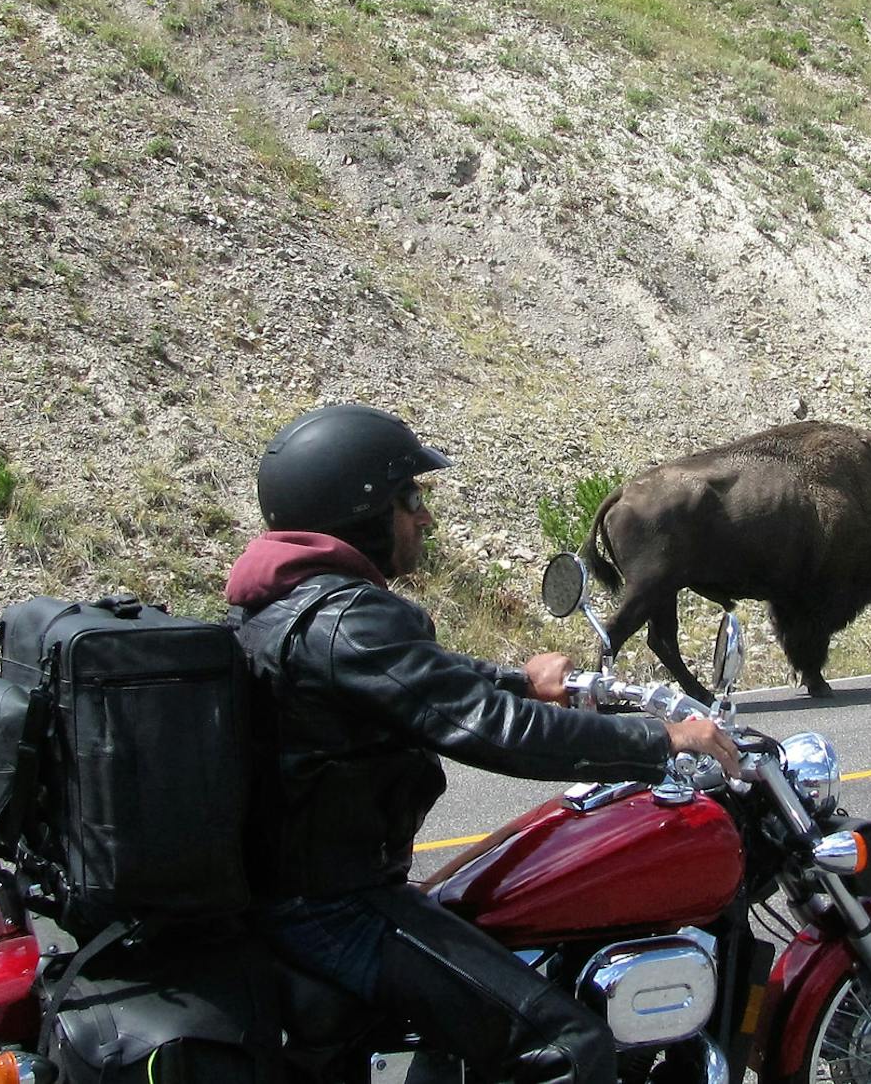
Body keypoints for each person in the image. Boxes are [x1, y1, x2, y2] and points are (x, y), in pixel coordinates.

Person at [224, 403, 740, 1084]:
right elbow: (489, 730)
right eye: (411, 497)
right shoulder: (350, 621)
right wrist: (661, 739)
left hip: (306, 895)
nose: (424, 517)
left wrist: (522, 681)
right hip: (337, 911)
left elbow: (424, 681)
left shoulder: (294, 607)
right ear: (362, 508)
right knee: (568, 1048)